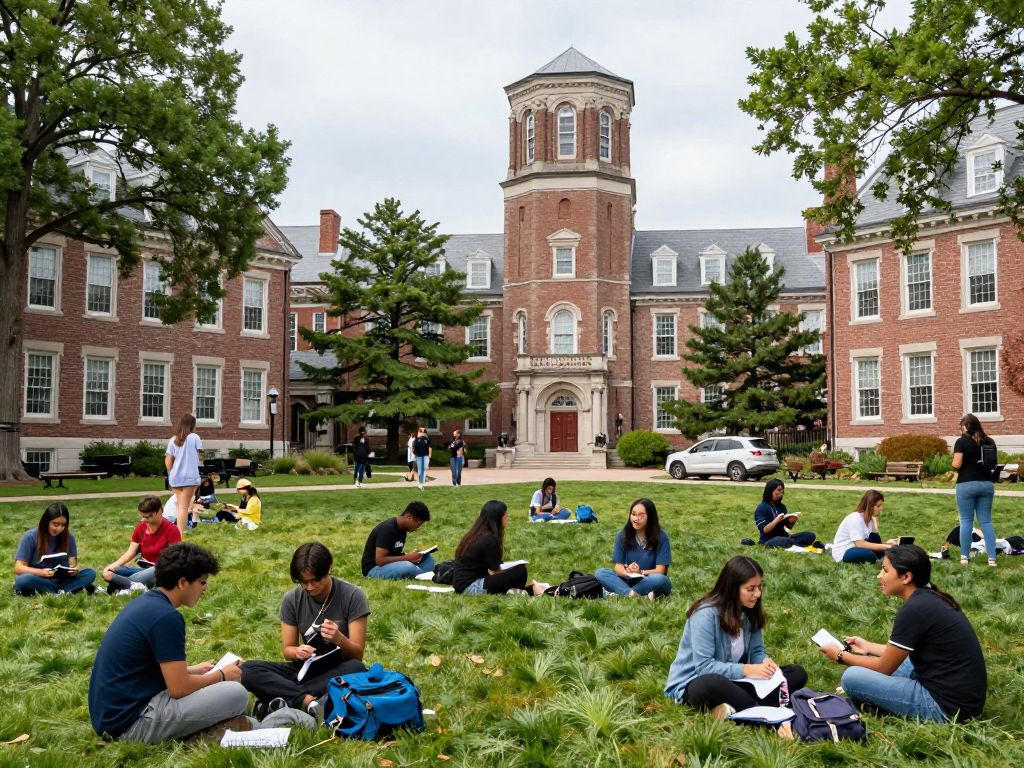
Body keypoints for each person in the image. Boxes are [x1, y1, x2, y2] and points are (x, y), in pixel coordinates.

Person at [88, 543, 248, 742]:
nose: (205, 589)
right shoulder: (167, 617)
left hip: (110, 716)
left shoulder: (147, 603)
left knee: (216, 686)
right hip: (129, 724)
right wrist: (222, 675)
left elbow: (145, 668)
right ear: (182, 583)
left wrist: (192, 671)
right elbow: (179, 688)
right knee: (237, 694)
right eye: (202, 582)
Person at [820, 545, 986, 722]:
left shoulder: (914, 609)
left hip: (947, 708)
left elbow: (884, 667)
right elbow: (896, 654)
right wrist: (867, 647)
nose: (879, 576)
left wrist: (840, 655)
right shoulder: (929, 597)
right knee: (905, 660)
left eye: (885, 571)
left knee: (851, 677)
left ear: (906, 577)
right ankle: (877, 699)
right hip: (964, 700)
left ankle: (877, 702)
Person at [664, 556, 808, 720]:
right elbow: (704, 667)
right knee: (712, 683)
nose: (758, 594)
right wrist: (747, 669)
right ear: (733, 588)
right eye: (751, 589)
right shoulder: (705, 615)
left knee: (797, 673)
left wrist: (765, 663)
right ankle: (762, 707)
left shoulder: (750, 611)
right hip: (696, 682)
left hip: (738, 680)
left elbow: (757, 651)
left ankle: (736, 707)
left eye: (759, 587)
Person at [241, 542, 369, 718]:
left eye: (315, 580)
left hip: (337, 668)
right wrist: (298, 651)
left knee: (357, 668)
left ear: (329, 569)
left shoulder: (353, 596)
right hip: (303, 669)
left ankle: (279, 699)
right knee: (247, 669)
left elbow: (357, 654)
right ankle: (307, 702)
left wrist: (340, 639)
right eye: (303, 582)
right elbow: (287, 650)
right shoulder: (292, 599)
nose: (309, 587)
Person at [452, 500, 547, 596]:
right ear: (497, 519)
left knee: (516, 571)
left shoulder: (476, 534)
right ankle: (527, 591)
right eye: (505, 516)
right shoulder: (489, 539)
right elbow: (494, 569)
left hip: (461, 585)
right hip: (471, 587)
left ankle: (524, 590)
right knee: (521, 571)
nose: (507, 519)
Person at [102, 495, 183, 594]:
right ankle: (131, 585)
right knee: (110, 572)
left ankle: (125, 585)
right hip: (141, 569)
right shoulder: (141, 527)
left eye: (148, 517)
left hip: (159, 570)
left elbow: (174, 560)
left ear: (159, 511)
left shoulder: (172, 530)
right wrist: (113, 565)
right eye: (143, 516)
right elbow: (131, 552)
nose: (144, 520)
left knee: (158, 571)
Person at [594, 498, 672, 598]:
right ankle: (632, 594)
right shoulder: (622, 535)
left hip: (651, 581)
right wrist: (628, 571)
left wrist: (641, 572)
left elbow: (660, 570)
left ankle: (625, 592)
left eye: (641, 516)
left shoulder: (662, 537)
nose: (636, 519)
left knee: (661, 579)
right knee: (601, 573)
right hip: (629, 580)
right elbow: (619, 567)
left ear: (650, 517)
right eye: (633, 514)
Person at [14, 503, 97, 596]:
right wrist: (41, 572)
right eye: (55, 524)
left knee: (90, 574)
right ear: (46, 521)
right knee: (23, 580)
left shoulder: (69, 537)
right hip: (39, 579)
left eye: (63, 525)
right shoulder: (30, 537)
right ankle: (66, 591)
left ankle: (57, 592)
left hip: (61, 581)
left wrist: (73, 571)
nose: (59, 529)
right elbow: (18, 568)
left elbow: (72, 564)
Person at [952, 413, 998, 566]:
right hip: (986, 484)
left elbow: (957, 464)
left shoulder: (961, 442)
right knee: (986, 521)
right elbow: (994, 464)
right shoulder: (990, 441)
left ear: (965, 427)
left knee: (966, 521)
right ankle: (992, 558)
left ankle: (964, 556)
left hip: (966, 484)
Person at [361, 501, 436, 580]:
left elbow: (393, 555)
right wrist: (407, 557)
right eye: (418, 524)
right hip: (374, 569)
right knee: (408, 566)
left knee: (428, 558)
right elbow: (380, 560)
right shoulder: (387, 529)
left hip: (390, 565)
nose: (417, 528)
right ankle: (424, 573)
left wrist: (411, 555)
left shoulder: (402, 530)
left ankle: (422, 572)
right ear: (409, 517)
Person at [831, 490, 898, 564]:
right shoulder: (855, 518)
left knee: (875, 537)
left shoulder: (871, 520)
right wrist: (885, 546)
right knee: (869, 555)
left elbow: (874, 541)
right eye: (878, 506)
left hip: (859, 547)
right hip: (846, 550)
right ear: (869, 506)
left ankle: (883, 554)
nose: (881, 509)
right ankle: (876, 558)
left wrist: (887, 544)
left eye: (881, 505)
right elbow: (859, 543)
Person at [165, 413, 202, 533]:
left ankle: (176, 529)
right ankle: (180, 532)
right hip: (189, 477)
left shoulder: (173, 439)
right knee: (183, 507)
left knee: (179, 505)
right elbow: (197, 456)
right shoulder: (195, 437)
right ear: (192, 425)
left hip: (175, 478)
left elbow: (168, 460)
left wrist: (171, 472)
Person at [753, 478, 816, 548]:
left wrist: (791, 522)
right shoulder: (761, 508)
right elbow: (765, 530)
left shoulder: (782, 507)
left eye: (782, 491)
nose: (781, 494)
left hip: (784, 537)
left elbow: (787, 529)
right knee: (780, 540)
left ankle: (792, 543)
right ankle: (795, 544)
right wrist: (777, 520)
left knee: (810, 535)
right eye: (779, 490)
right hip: (769, 540)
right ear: (770, 490)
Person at [413, 425, 432, 490]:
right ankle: (421, 484)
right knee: (420, 471)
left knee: (425, 469)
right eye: (420, 430)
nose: (421, 432)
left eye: (423, 431)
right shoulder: (416, 440)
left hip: (426, 456)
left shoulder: (427, 439)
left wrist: (429, 455)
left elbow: (429, 447)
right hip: (419, 457)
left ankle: (421, 483)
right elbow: (414, 449)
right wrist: (415, 455)